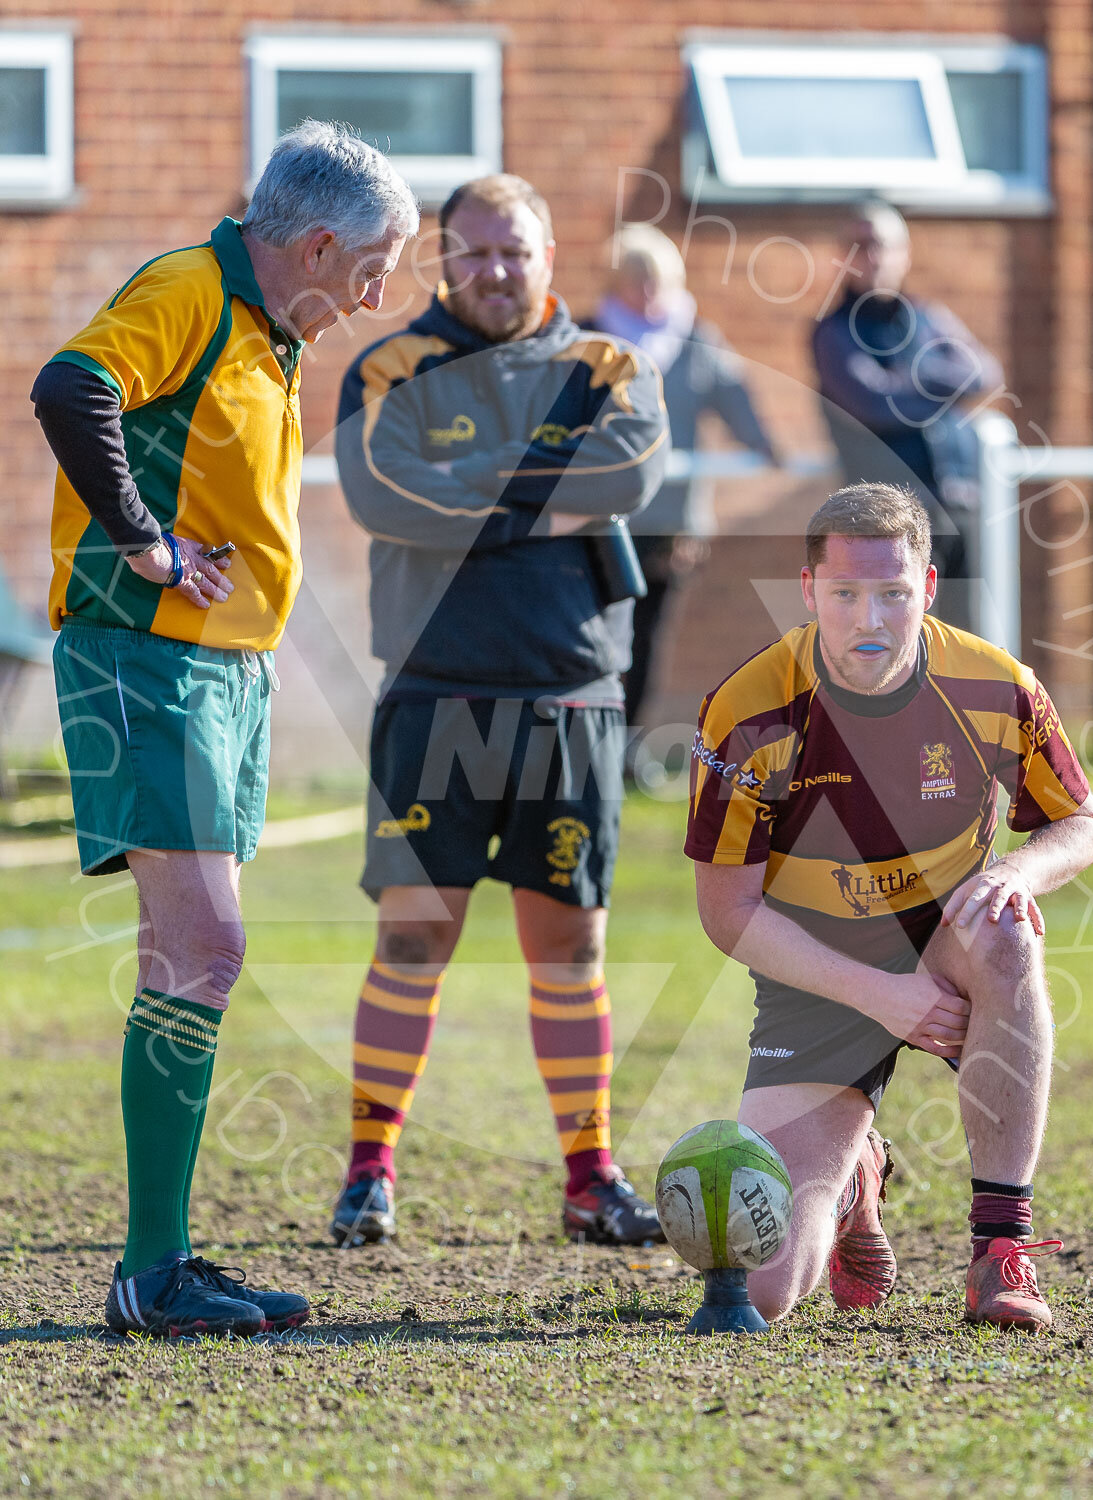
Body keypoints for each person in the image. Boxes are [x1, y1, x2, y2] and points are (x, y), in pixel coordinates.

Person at [30, 122, 417, 1338]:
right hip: (150, 661)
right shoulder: (193, 290)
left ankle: (162, 1265)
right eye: (374, 267)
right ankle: (154, 1269)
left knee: (184, 958)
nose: (378, 294)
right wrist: (144, 541)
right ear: (315, 244)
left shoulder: (270, 328)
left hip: (219, 674)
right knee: (206, 948)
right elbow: (68, 385)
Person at [331, 174, 671, 1249]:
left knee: (570, 951)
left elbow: (630, 474)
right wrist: (545, 490)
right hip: (437, 693)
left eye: (514, 251)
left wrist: (473, 488)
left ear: (549, 253)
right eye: (473, 253)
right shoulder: (393, 367)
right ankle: (369, 1173)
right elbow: (386, 493)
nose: (495, 271)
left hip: (572, 697)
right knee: (411, 945)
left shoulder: (608, 366)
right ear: (441, 260)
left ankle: (589, 1179)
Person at [686, 482, 1093, 1331]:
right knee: (766, 1290)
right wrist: (881, 997)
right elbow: (727, 912)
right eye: (844, 594)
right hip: (813, 973)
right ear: (809, 592)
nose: (867, 618)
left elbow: (1080, 822)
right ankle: (857, 1173)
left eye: (891, 593)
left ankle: (1000, 1248)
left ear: (929, 587)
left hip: (944, 942)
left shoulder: (995, 687)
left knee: (1007, 931)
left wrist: (1021, 873)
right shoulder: (748, 712)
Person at [588, 224, 782, 764]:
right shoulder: (589, 339)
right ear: (616, 281)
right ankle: (588, 743)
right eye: (637, 280)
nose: (650, 293)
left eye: (659, 281)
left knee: (645, 639)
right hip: (599, 520)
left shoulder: (697, 342)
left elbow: (735, 402)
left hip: (668, 527)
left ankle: (622, 749)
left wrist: (766, 445)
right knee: (597, 634)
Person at [812, 202, 1004, 628]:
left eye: (882, 245)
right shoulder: (833, 332)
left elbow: (984, 372)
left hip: (960, 506)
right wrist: (941, 387)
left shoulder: (930, 318)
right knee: (901, 651)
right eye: (860, 246)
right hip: (890, 527)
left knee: (967, 643)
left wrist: (906, 378)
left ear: (905, 254)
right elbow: (876, 404)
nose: (873, 257)